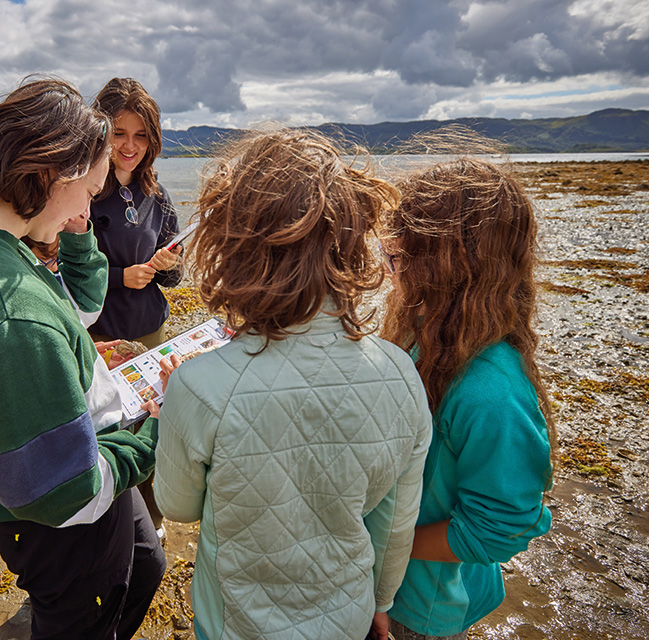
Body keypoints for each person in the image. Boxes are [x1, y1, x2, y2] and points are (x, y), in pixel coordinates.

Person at [0, 76, 165, 640]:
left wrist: (76, 245)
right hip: (57, 516)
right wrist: (157, 435)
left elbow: (70, 312)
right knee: (81, 616)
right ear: (53, 172)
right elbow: (61, 494)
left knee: (145, 564)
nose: (85, 210)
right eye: (88, 193)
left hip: (45, 468)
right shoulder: (12, 321)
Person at [147, 130, 433, 640]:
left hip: (235, 622)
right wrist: (381, 602)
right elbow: (392, 525)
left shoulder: (199, 386)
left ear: (234, 244)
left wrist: (173, 415)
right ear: (351, 241)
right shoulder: (401, 373)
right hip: (347, 614)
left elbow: (178, 506)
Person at [378, 158, 555, 640]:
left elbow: (500, 527)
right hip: (392, 584)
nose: (389, 272)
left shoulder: (490, 391)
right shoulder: (428, 332)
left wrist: (386, 546)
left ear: (447, 267)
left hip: (424, 606)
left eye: (397, 259)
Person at [88, 77, 182, 350]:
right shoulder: (83, 193)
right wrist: (121, 277)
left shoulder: (158, 193)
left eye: (140, 135)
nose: (130, 145)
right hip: (99, 334)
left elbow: (173, 279)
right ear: (101, 132)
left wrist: (170, 265)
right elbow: (60, 269)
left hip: (152, 329)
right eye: (119, 134)